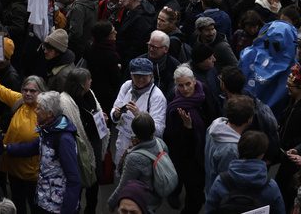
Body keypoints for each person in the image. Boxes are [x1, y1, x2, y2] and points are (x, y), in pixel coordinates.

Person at [0, 51, 43, 214]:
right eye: (25, 89)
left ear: (41, 93)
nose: (28, 93)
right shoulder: (18, 100)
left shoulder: (46, 111)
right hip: (13, 170)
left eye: (32, 91)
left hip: (33, 174)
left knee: (35, 206)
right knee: (18, 203)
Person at [5, 91, 81, 214]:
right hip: (44, 201)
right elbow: (33, 147)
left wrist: (67, 210)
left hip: (57, 207)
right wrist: (7, 148)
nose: (36, 111)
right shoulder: (47, 130)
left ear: (50, 113)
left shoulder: (63, 139)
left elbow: (74, 179)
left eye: (39, 108)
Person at [165, 64, 212, 214]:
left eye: (188, 84)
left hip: (204, 148)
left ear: (194, 81)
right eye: (180, 85)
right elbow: (173, 138)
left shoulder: (204, 91)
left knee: (196, 189)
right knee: (194, 194)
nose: (185, 89)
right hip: (186, 156)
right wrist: (188, 128)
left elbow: (213, 112)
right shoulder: (175, 103)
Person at [204, 130, 285, 214]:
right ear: (262, 154)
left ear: (239, 149)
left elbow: (209, 210)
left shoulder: (221, 181)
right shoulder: (271, 186)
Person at [111, 57, 167, 167]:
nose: (140, 79)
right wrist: (115, 114)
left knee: (139, 182)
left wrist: (139, 115)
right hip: (123, 143)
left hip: (143, 150)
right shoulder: (126, 86)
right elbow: (115, 108)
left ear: (151, 75)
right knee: (123, 178)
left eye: (144, 76)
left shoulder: (157, 97)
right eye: (137, 76)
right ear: (131, 75)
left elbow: (159, 131)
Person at [107, 113, 168, 212]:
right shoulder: (161, 144)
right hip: (157, 194)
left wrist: (111, 203)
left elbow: (123, 185)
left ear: (134, 131)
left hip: (142, 200)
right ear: (153, 129)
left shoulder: (134, 158)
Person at [204, 95, 255, 190]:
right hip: (220, 196)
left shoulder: (214, 126)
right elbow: (226, 180)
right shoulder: (231, 150)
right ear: (249, 120)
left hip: (210, 184)